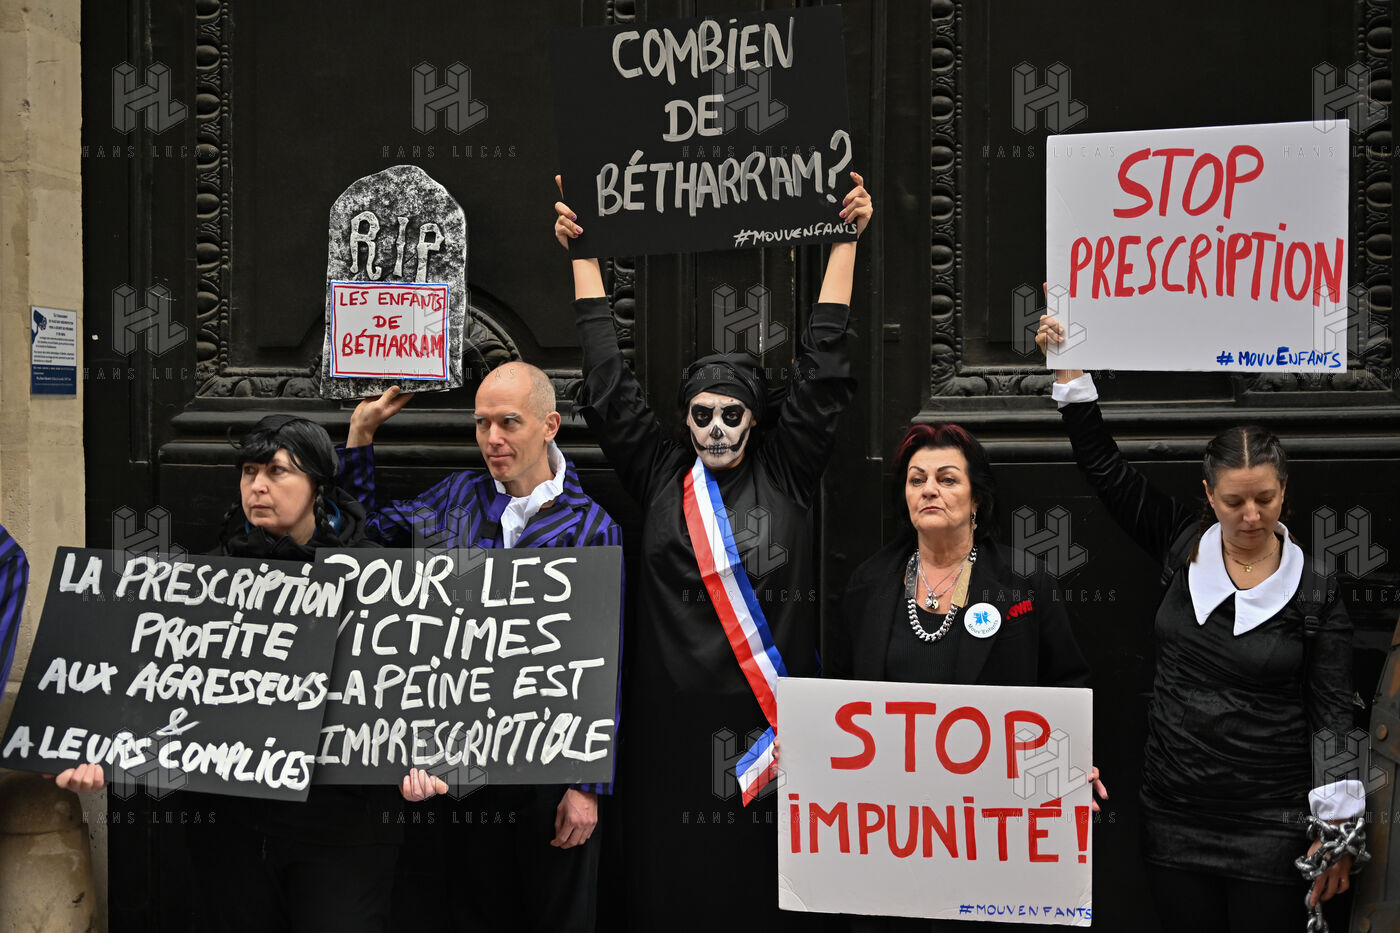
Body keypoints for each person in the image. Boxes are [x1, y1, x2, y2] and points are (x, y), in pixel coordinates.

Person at [554, 171, 871, 931]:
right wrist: (583, 256)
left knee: (763, 895)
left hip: (770, 737)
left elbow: (824, 369)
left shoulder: (788, 471)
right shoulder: (662, 473)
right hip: (669, 735)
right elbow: (608, 386)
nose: (718, 428)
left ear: (755, 421)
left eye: (733, 414)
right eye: (702, 415)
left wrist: (845, 243)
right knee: (675, 892)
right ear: (684, 420)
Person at [1038, 316, 1362, 932]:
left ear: (1285, 491)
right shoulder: (1179, 540)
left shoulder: (1315, 588)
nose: (1250, 515)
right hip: (1173, 814)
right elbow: (1105, 470)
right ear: (1209, 495)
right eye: (1234, 501)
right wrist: (1069, 369)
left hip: (1274, 824)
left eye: (1265, 498)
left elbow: (1333, 717)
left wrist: (1339, 831)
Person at [342, 360, 623, 933]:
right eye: (481, 423)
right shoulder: (456, 499)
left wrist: (588, 786)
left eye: (509, 422)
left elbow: (607, 663)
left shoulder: (591, 526)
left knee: (559, 918)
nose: (492, 438)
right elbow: (359, 535)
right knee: (472, 913)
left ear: (549, 425)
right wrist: (360, 435)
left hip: (551, 763)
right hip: (463, 761)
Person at [826, 422, 1097, 932]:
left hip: (990, 828)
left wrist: (1071, 759)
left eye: (947, 479)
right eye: (917, 480)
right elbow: (840, 694)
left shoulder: (1023, 581)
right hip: (892, 828)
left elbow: (1066, 681)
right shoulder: (869, 583)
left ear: (977, 499)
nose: (929, 489)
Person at [195, 413, 402, 932]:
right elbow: (153, 692)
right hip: (237, 828)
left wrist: (424, 761)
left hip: (344, 831)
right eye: (248, 472)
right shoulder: (206, 578)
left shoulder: (377, 576)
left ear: (317, 485)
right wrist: (104, 754)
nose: (257, 486)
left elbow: (412, 692)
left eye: (277, 471)